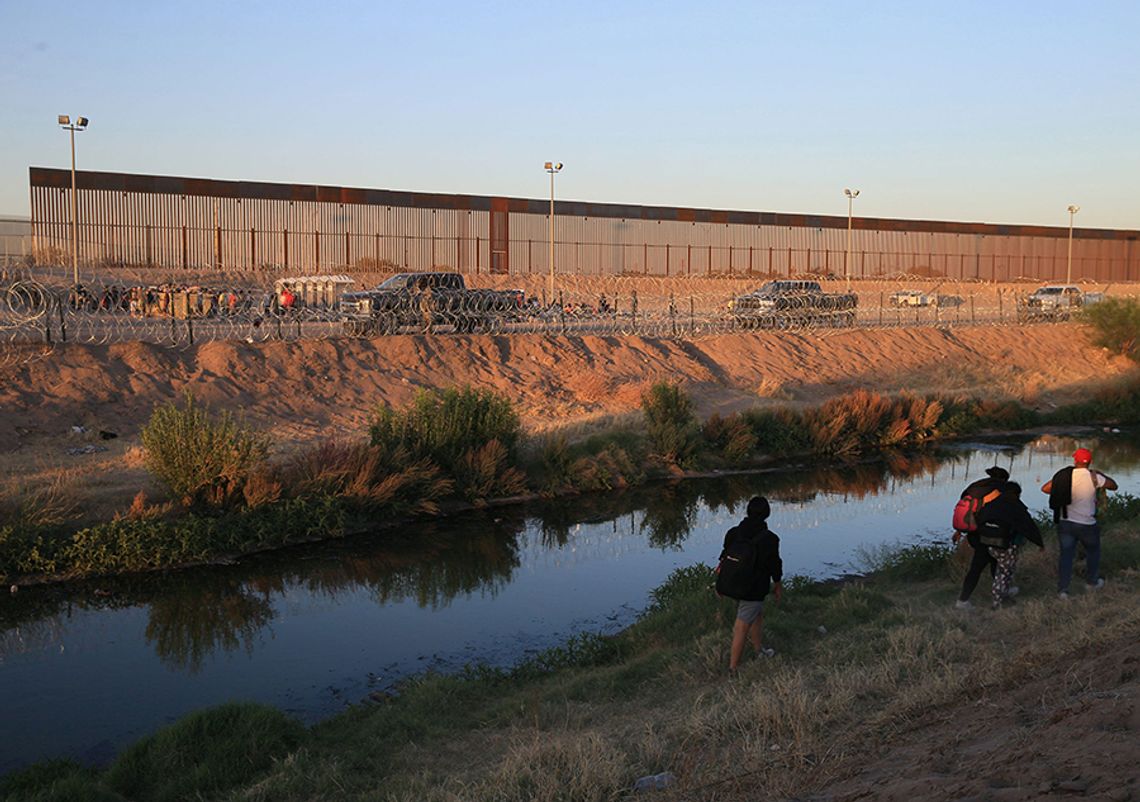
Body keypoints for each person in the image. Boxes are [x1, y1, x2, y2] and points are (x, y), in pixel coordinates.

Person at [717, 496, 783, 673]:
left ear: (747, 511)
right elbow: (775, 564)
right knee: (741, 625)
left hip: (732, 583)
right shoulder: (770, 539)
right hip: (752, 588)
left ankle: (758, 650)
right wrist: (777, 584)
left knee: (756, 614)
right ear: (767, 514)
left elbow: (724, 556)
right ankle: (733, 669)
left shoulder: (733, 532)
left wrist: (720, 583)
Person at [1042, 448, 1118, 598]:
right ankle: (1092, 582)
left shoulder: (1065, 476)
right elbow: (1114, 486)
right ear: (1089, 462)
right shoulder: (1094, 477)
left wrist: (1062, 490)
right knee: (1093, 552)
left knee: (1066, 556)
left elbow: (1045, 488)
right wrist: (1100, 475)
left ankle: (1063, 590)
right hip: (1087, 524)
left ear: (1075, 461)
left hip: (1066, 523)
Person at [958, 479, 1043, 610]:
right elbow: (1028, 525)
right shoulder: (1014, 505)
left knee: (978, 569)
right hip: (1003, 544)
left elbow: (978, 521)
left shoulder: (990, 503)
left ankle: (963, 600)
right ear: (1016, 494)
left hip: (984, 541)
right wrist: (1039, 543)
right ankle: (998, 601)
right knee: (1004, 571)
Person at [953, 466, 1009, 608]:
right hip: (987, 532)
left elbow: (964, 507)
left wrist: (960, 531)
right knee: (981, 564)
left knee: (992, 561)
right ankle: (963, 600)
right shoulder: (1000, 489)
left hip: (972, 532)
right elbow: (1004, 511)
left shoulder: (975, 487)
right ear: (1003, 479)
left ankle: (1002, 592)